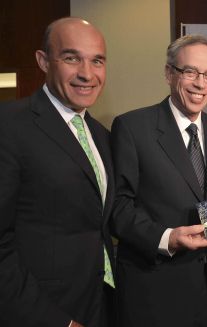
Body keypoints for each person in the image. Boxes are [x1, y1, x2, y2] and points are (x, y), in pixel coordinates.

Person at [110, 34, 207, 327]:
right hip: (155, 291)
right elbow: (117, 206)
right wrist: (166, 238)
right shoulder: (132, 127)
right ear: (169, 73)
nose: (200, 84)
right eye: (190, 72)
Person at [0, 17, 115, 327]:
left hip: (100, 305)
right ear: (43, 61)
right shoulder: (9, 125)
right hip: (42, 313)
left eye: (97, 61)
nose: (86, 74)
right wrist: (55, 321)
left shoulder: (102, 136)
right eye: (71, 57)